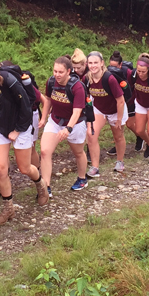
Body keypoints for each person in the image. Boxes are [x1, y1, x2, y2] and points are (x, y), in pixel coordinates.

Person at [0, 54, 49, 226]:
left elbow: (26, 107)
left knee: (24, 168)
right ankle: (8, 208)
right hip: (0, 126)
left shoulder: (9, 81)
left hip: (20, 124)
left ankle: (40, 184)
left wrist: (18, 129)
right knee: (0, 169)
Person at [39, 55, 89, 194]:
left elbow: (77, 111)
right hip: (55, 120)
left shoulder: (77, 87)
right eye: (55, 71)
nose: (57, 75)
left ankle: (82, 178)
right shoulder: (51, 82)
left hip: (75, 123)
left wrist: (68, 128)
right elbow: (48, 100)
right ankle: (46, 187)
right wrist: (43, 118)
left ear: (68, 71)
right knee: (44, 152)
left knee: (78, 152)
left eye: (60, 72)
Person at [82, 51, 127, 176]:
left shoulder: (109, 79)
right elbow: (88, 97)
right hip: (99, 109)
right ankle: (95, 167)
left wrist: (118, 119)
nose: (93, 66)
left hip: (116, 110)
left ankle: (120, 161)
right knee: (91, 135)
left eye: (96, 62)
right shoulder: (87, 78)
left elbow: (121, 101)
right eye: (90, 63)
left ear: (102, 63)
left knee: (118, 136)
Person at [109, 51, 143, 154]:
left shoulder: (128, 73)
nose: (112, 68)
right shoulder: (108, 72)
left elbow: (138, 84)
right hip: (117, 102)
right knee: (117, 126)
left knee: (129, 124)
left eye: (115, 66)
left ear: (120, 64)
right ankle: (118, 144)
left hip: (130, 100)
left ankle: (141, 137)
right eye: (111, 66)